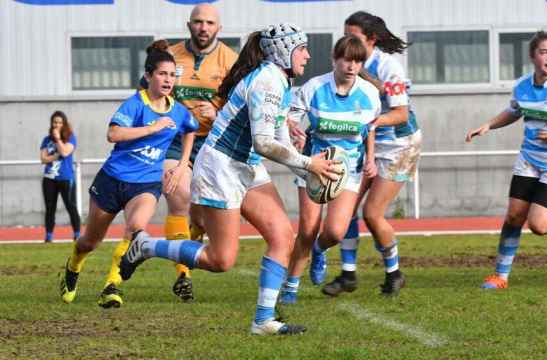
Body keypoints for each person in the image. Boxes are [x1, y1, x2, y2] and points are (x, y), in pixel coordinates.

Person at [117, 24, 341, 335]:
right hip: (220, 166)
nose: (307, 54)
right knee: (221, 260)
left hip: (245, 164)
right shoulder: (267, 81)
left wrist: (309, 170)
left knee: (282, 237)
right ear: (283, 51)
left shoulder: (279, 79)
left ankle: (263, 321)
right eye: (301, 48)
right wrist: (309, 164)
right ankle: (145, 246)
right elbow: (264, 144)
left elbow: (276, 139)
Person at [100, 3, 238, 305]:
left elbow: (240, 107)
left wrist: (217, 111)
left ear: (219, 28)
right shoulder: (171, 56)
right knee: (180, 196)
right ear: (189, 25)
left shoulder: (231, 60)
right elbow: (144, 95)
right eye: (198, 21)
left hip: (214, 142)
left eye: (209, 23)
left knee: (201, 216)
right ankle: (182, 275)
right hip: (173, 141)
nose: (203, 27)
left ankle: (184, 248)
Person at [59, 43, 198, 306]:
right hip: (112, 180)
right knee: (90, 241)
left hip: (145, 184)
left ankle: (112, 286)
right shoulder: (135, 104)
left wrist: (182, 165)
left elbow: (190, 128)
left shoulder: (178, 110)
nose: (168, 79)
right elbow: (113, 134)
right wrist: (152, 128)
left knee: (135, 230)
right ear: (148, 76)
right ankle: (73, 266)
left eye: (171, 75)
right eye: (162, 74)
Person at [465, 31, 547, 289]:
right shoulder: (523, 85)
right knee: (514, 216)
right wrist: (488, 126)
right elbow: (514, 111)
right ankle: (500, 276)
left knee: (539, 225)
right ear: (532, 56)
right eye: (544, 52)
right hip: (529, 158)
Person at [313, 11, 422, 297]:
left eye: (355, 36)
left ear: (372, 40)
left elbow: (401, 114)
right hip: (366, 144)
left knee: (372, 213)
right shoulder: (349, 64)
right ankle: (348, 274)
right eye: (345, 34)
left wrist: (369, 121)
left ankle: (394, 272)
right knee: (345, 207)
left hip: (400, 145)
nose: (348, 42)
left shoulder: (389, 68)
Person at [278, 35, 380, 304]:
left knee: (334, 231)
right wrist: (292, 129)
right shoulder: (314, 87)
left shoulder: (369, 94)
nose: (351, 66)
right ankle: (290, 286)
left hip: (348, 171)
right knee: (308, 229)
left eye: (357, 61)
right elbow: (289, 118)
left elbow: (369, 128)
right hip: (314, 165)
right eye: (346, 59)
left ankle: (319, 251)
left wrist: (371, 158)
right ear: (334, 60)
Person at [39, 111, 82, 243]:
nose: (57, 125)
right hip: (49, 178)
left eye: (59, 122)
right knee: (50, 208)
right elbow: (43, 159)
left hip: (65, 178)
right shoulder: (46, 140)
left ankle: (77, 234)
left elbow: (65, 151)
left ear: (64, 124)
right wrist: (56, 156)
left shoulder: (70, 138)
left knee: (71, 206)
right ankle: (49, 236)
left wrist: (58, 139)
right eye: (54, 122)